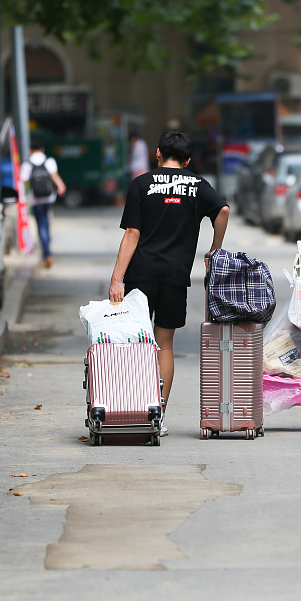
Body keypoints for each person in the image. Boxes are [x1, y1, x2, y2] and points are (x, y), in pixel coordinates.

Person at [110, 131, 230, 436]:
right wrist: (215, 248)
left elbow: (132, 234)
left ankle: (133, 409)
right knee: (164, 345)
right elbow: (223, 210)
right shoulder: (198, 185)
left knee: (137, 344)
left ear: (158, 153)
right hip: (176, 276)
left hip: (140, 275)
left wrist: (117, 278)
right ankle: (157, 416)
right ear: (188, 160)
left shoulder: (142, 183)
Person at [19, 136, 66, 268]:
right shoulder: (49, 161)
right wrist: (61, 186)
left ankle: (47, 253)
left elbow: (23, 181)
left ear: (30, 150)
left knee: (41, 224)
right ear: (42, 149)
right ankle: (47, 248)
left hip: (36, 198)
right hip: (49, 197)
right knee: (46, 221)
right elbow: (55, 176)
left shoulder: (27, 163)